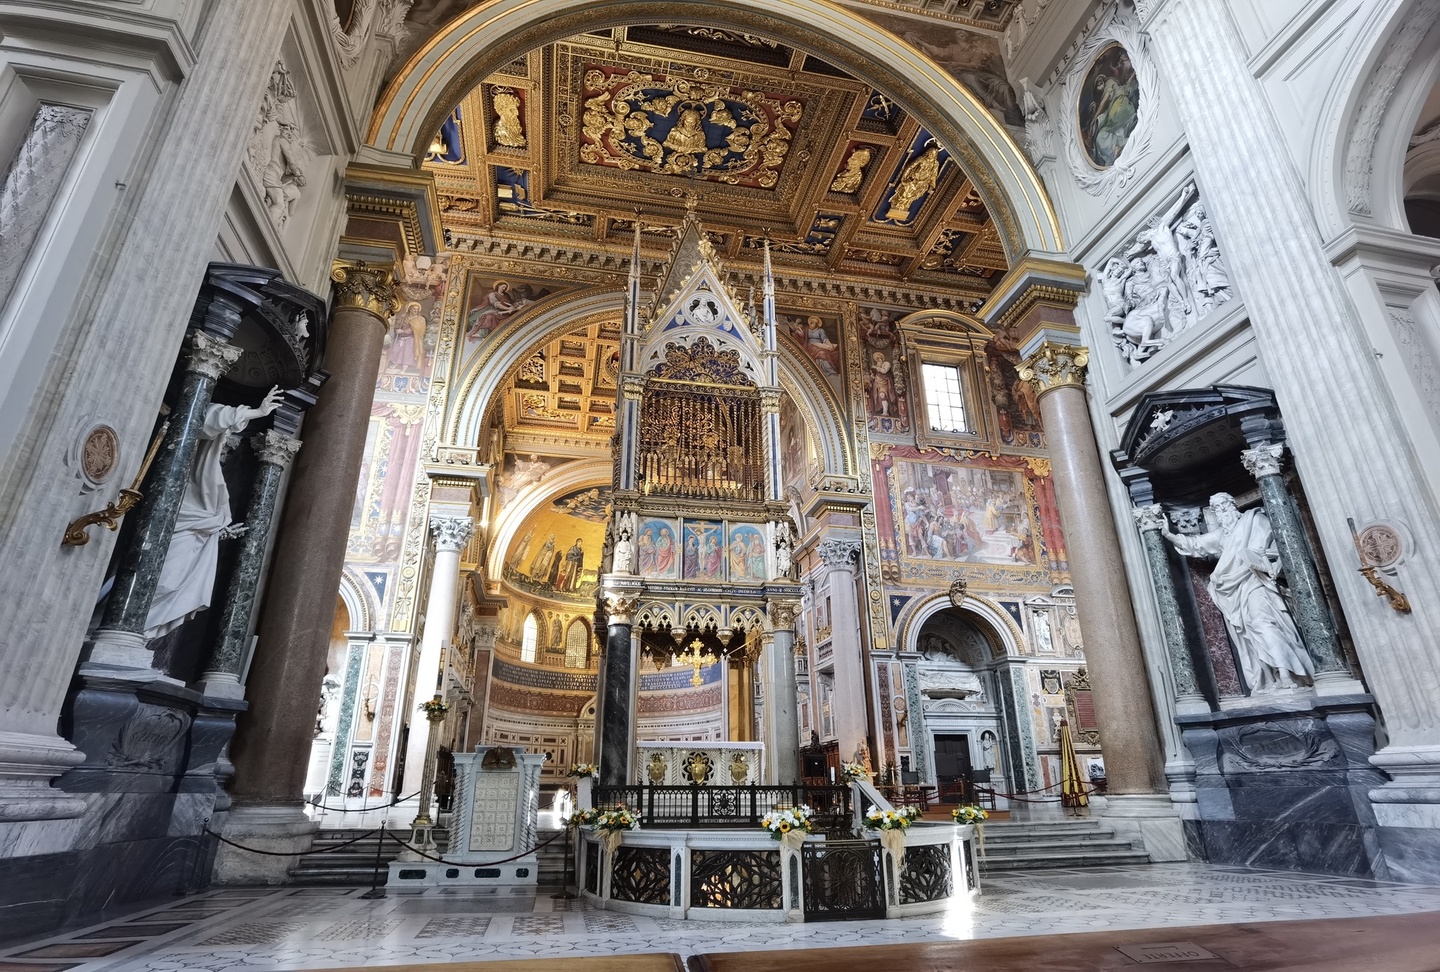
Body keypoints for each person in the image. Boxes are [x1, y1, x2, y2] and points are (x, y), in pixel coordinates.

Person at [143, 386, 284, 639]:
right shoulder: (188, 443)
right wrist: (258, 412)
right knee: (166, 579)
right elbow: (211, 417)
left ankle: (142, 631)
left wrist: (218, 530)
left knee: (177, 584)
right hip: (176, 519)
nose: (226, 448)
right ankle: (134, 626)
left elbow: (203, 519)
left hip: (193, 528)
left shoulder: (210, 479)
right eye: (227, 439)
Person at [1163, 493, 1315, 693]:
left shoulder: (1256, 521)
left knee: (1263, 624)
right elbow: (1196, 544)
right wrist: (1167, 534)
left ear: (1232, 505)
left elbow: (1282, 549)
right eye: (1216, 509)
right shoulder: (1223, 534)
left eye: (1223, 506)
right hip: (1233, 590)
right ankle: (1274, 676)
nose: (1221, 512)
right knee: (1251, 633)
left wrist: (1273, 565)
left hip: (1257, 581)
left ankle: (1288, 674)